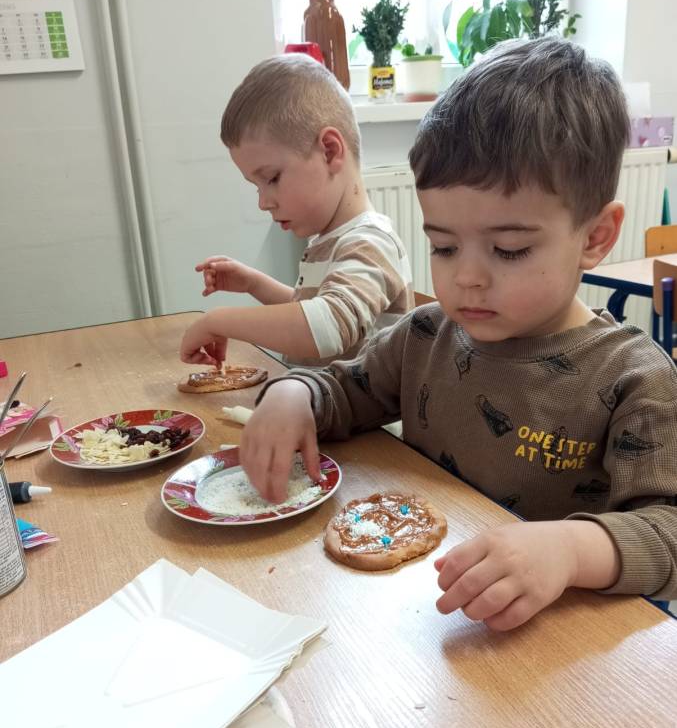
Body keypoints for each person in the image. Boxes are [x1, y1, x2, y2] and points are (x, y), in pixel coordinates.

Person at [238, 37, 677, 631]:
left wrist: (571, 551)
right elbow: (344, 391)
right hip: (426, 622)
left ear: (595, 237)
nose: (466, 278)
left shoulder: (636, 378)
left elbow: (668, 532)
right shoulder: (425, 336)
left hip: (556, 648)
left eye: (509, 249)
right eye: (443, 246)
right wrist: (294, 393)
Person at [180, 54, 413, 368]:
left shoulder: (371, 243)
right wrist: (254, 284)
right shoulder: (331, 242)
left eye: (272, 179)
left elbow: (329, 327)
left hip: (353, 404)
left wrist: (219, 321)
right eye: (257, 186)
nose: (263, 202)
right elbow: (312, 309)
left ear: (329, 151)